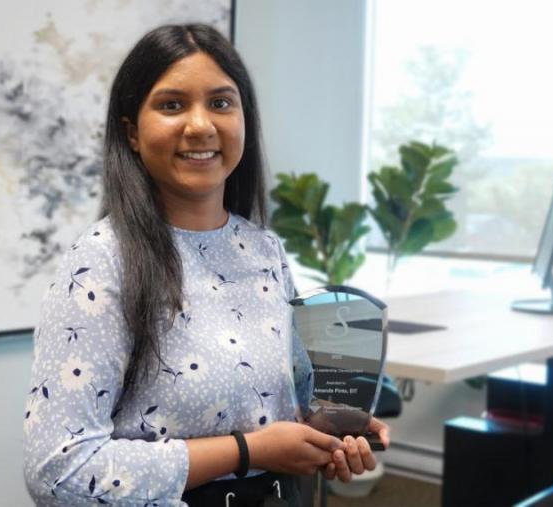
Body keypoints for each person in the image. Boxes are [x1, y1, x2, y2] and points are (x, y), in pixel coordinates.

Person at [23, 23, 389, 506]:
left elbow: (285, 412)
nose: (201, 125)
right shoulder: (101, 261)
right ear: (132, 132)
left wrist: (330, 437)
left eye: (220, 102)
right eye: (172, 105)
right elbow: (58, 470)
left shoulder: (265, 251)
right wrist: (247, 451)